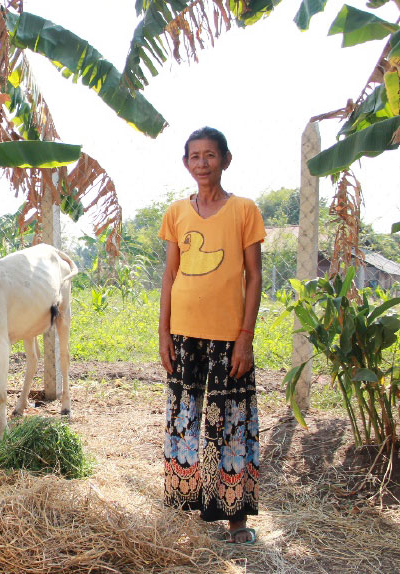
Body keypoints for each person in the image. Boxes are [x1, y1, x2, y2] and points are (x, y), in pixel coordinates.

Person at [157, 127, 265, 544]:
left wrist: (245, 336)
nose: (202, 163)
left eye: (210, 155)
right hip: (183, 334)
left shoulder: (244, 211)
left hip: (228, 339)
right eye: (195, 156)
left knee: (232, 424)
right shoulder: (175, 213)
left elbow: (254, 277)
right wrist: (163, 333)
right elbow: (169, 276)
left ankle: (236, 519)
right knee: (183, 423)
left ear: (225, 159)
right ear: (186, 163)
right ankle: (184, 514)